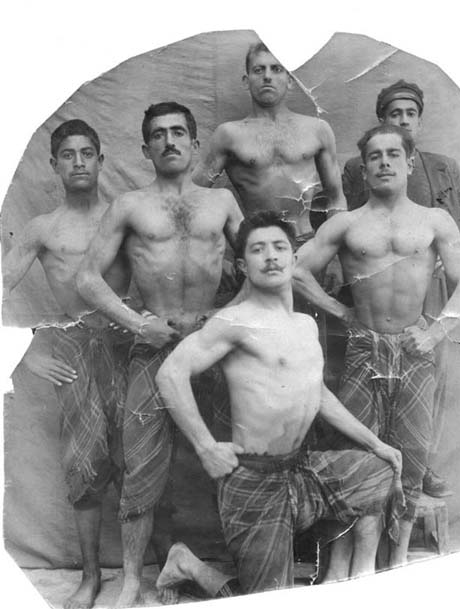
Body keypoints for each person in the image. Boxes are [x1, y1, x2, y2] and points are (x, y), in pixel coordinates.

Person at [155, 210, 404, 596]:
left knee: (378, 469)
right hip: (253, 480)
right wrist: (206, 447)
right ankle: (188, 564)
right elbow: (170, 374)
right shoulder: (235, 321)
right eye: (258, 250)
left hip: (301, 472)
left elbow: (316, 394)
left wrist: (377, 444)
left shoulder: (305, 325)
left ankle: (351, 576)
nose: (270, 256)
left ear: (293, 257)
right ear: (243, 266)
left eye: (279, 247)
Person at [76, 101, 243, 607]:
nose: (169, 141)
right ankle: (131, 581)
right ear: (146, 148)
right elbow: (87, 279)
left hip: (213, 350)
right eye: (158, 134)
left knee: (239, 454)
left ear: (195, 143)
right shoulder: (130, 205)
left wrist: (226, 317)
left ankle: (243, 565)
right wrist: (138, 325)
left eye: (178, 132)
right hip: (154, 347)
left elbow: (263, 263)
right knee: (140, 464)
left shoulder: (221, 202)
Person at [295, 124, 460, 566]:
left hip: (416, 349)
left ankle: (396, 560)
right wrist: (339, 312)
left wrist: (434, 333)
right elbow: (296, 270)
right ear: (363, 168)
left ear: (409, 162)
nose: (384, 162)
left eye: (393, 154)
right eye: (374, 156)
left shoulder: (434, 221)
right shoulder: (346, 223)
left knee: (412, 453)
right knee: (358, 451)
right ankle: (348, 563)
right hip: (363, 348)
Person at [2, 119, 132, 609]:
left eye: (87, 153)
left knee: (137, 458)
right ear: (55, 165)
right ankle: (90, 576)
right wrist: (28, 351)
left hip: (128, 345)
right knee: (84, 464)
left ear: (101, 160)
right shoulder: (43, 228)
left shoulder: (125, 216)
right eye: (68, 155)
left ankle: (142, 573)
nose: (78, 162)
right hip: (74, 349)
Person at [342, 80, 460, 496]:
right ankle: (374, 473)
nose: (403, 121)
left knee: (430, 369)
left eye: (410, 114)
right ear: (382, 121)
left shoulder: (443, 167)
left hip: (437, 282)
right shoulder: (358, 167)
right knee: (371, 375)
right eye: (394, 114)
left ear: (419, 121)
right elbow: (345, 218)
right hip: (379, 280)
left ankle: (424, 463)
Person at [193, 43, 347, 238]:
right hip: (257, 244)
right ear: (246, 81)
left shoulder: (317, 130)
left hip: (307, 241)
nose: (267, 76)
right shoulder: (228, 135)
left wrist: (329, 245)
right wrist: (234, 243)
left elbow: (336, 198)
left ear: (290, 80)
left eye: (276, 69)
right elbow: (192, 194)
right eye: (259, 70)